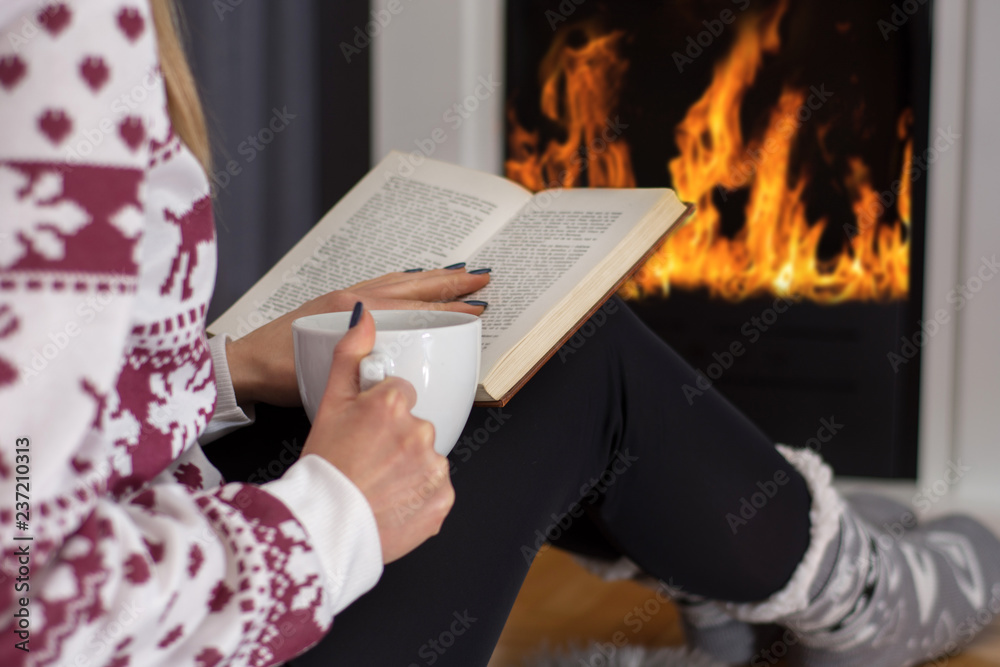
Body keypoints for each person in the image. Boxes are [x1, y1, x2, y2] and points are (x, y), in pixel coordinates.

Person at [0, 1, 997, 666]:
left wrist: (223, 365)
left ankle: (747, 565)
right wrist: (334, 511)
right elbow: (28, 604)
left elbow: (30, 439)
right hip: (168, 619)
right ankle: (857, 595)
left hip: (166, 555)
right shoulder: (54, 35)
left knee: (467, 355)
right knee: (575, 361)